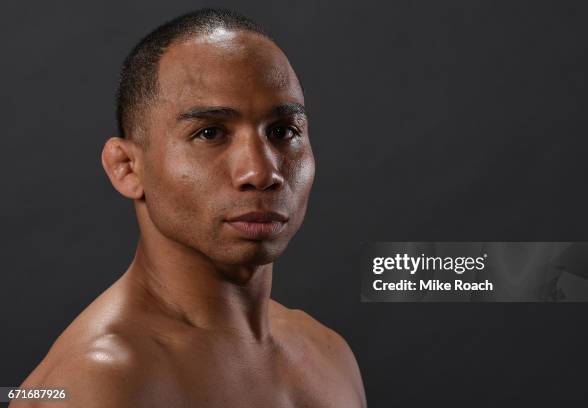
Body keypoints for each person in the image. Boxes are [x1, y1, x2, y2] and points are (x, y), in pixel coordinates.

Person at [14, 8, 367, 407]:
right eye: (210, 133)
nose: (261, 171)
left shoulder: (327, 353)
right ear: (127, 168)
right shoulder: (97, 384)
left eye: (283, 131)